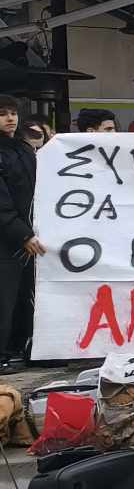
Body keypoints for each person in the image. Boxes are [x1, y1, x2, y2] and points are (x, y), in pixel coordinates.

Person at [0, 96, 42, 373]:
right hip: (8, 241)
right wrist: (23, 234)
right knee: (4, 299)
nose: (10, 118)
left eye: (13, 113)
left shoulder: (24, 149)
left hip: (29, 237)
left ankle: (23, 347)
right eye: (2, 113)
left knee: (25, 296)